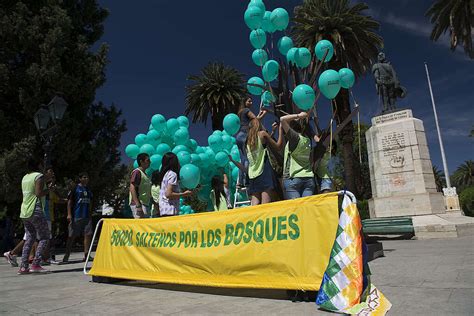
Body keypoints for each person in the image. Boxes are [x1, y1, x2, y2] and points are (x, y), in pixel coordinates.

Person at [17, 158, 51, 274]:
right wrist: (49, 190)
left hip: (24, 211)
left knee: (30, 237)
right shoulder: (38, 176)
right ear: (38, 164)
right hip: (35, 210)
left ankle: (23, 266)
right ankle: (36, 264)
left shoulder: (25, 177)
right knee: (45, 236)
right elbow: (38, 193)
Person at [278, 112, 319, 199]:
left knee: (297, 210)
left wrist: (298, 115)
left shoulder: (294, 137)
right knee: (306, 209)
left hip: (293, 178)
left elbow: (282, 119)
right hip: (308, 178)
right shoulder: (307, 141)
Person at [242, 118, 279, 205]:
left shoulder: (247, 141)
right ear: (258, 125)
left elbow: (262, 145)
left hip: (253, 175)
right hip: (264, 171)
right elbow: (278, 147)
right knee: (265, 204)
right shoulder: (262, 134)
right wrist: (280, 129)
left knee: (254, 204)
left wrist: (272, 132)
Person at [234, 97, 267, 186]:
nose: (251, 102)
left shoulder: (239, 113)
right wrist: (263, 115)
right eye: (249, 101)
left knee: (242, 159)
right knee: (248, 157)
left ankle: (240, 182)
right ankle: (247, 181)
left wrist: (259, 116)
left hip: (238, 136)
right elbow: (255, 119)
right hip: (245, 134)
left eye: (251, 100)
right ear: (244, 102)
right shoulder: (246, 110)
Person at [62, 172, 93, 263]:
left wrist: (90, 212)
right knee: (72, 236)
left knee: (88, 234)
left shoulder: (88, 189)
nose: (86, 179)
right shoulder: (75, 188)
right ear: (80, 178)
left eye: (87, 177)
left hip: (86, 216)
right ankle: (67, 255)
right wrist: (69, 214)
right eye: (84, 177)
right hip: (76, 215)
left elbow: (90, 201)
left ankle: (87, 255)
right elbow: (69, 201)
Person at [129, 153, 152, 219]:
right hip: (139, 204)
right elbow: (132, 187)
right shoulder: (137, 172)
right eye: (148, 160)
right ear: (141, 161)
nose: (150, 162)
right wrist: (138, 205)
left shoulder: (145, 174)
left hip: (145, 204)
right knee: (140, 226)